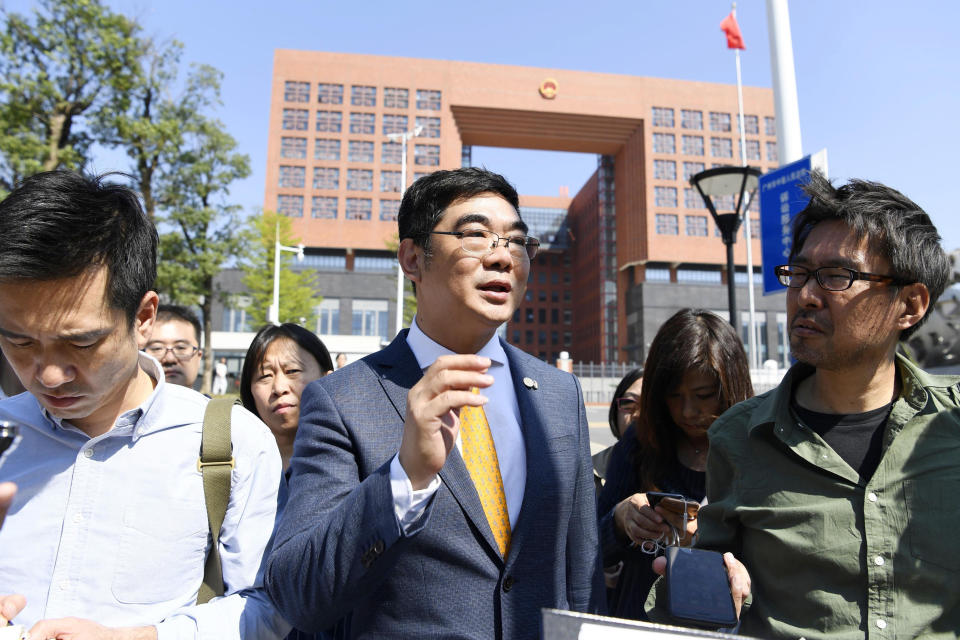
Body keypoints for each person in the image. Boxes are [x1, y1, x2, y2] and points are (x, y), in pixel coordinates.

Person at [265, 167, 604, 639]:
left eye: (517, 242)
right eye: (476, 235)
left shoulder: (558, 395)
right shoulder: (341, 401)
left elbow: (582, 573)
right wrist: (406, 476)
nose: (503, 257)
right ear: (412, 259)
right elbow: (296, 591)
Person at [649, 173, 958, 638]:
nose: (806, 296)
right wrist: (706, 585)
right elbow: (710, 578)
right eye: (800, 273)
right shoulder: (738, 437)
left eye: (837, 276)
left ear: (910, 305)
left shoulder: (951, 425)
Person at [0, 171, 288, 639]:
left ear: (143, 317)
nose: (48, 374)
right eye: (19, 342)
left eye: (80, 343)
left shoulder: (228, 441)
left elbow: (267, 604)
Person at [599, 310, 752, 621]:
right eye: (673, 396)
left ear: (730, 387)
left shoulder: (758, 446)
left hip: (724, 624)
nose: (688, 410)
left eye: (704, 395)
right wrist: (620, 519)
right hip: (640, 622)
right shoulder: (639, 443)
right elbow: (588, 549)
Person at [240, 323, 333, 471]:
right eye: (265, 376)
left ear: (328, 379)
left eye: (292, 371)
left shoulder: (358, 461)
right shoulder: (234, 465)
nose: (279, 388)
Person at [592, 367, 643, 489]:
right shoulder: (586, 471)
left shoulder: (686, 477)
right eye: (629, 403)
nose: (637, 415)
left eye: (650, 406)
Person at [145, 304, 203, 389]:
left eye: (180, 347)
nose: (170, 359)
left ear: (199, 357)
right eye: (157, 348)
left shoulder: (217, 403)